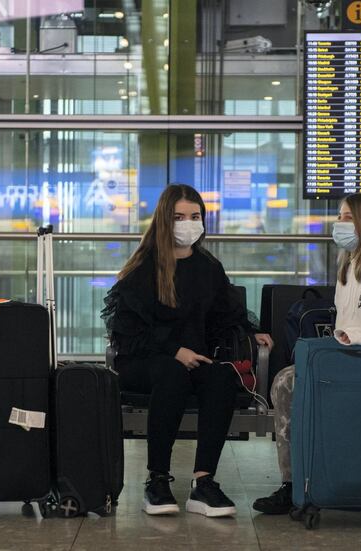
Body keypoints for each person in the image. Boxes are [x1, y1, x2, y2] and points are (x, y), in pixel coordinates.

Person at [252, 193, 361, 515]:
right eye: (340, 217)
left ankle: (297, 483)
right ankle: (302, 481)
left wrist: (352, 337)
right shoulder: (351, 262)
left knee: (287, 384)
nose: (340, 224)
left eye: (348, 218)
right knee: (290, 380)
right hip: (359, 361)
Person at [101, 183, 273, 518]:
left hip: (192, 360)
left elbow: (226, 315)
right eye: (179, 216)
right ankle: (158, 479)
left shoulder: (208, 267)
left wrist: (253, 332)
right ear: (165, 220)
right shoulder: (143, 269)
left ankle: (203, 482)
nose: (188, 223)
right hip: (144, 361)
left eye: (195, 216)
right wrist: (174, 349)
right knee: (173, 373)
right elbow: (128, 331)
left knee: (222, 378)